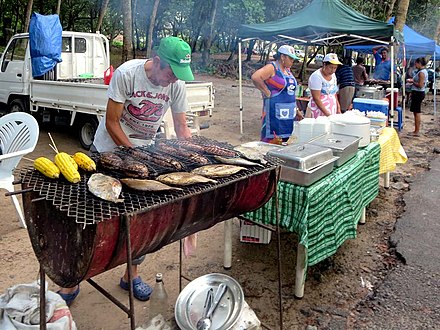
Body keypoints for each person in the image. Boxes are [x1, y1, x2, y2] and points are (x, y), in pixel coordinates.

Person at [57, 36, 194, 305]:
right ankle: (71, 282)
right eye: (171, 72)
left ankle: (130, 276)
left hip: (145, 155)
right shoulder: (127, 74)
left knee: (140, 220)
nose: (174, 80)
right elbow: (112, 123)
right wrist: (135, 155)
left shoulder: (176, 85)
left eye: (179, 75)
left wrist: (193, 157)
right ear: (157, 61)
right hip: (108, 151)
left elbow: (181, 127)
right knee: (91, 217)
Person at [251, 45, 301, 143]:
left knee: (285, 141)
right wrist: (266, 92)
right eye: (290, 58)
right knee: (273, 140)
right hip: (274, 113)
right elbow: (256, 77)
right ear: (282, 57)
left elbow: (290, 93)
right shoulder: (272, 68)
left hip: (288, 114)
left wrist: (297, 110)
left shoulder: (287, 70)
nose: (292, 61)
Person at [306, 53, 342, 118]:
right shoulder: (316, 76)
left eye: (335, 68)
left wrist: (338, 108)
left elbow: (334, 94)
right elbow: (316, 98)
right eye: (331, 67)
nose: (333, 70)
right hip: (318, 110)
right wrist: (327, 114)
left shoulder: (333, 75)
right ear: (324, 64)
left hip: (331, 108)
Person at [407, 57, 428, 136]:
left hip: (418, 93)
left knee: (417, 112)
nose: (415, 65)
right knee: (416, 112)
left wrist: (412, 82)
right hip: (417, 93)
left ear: (419, 63)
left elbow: (420, 85)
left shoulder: (421, 73)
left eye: (416, 63)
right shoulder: (421, 72)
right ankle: (416, 130)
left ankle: (416, 131)